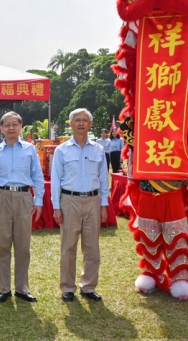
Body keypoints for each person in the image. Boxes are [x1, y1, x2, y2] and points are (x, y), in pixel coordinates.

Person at [0, 112, 45, 303]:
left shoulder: (29, 149)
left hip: (24, 196)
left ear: (20, 126)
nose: (11, 128)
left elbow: (37, 176)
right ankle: (4, 288)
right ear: (1, 128)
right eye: (7, 125)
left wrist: (39, 201)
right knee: (1, 244)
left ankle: (22, 288)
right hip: (1, 196)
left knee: (23, 244)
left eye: (14, 124)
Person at [51, 108, 109, 302]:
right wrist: (56, 207)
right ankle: (67, 287)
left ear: (90, 125)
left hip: (92, 200)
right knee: (68, 246)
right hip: (70, 200)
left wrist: (103, 204)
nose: (81, 123)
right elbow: (56, 179)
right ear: (71, 124)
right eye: (77, 120)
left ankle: (89, 286)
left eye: (85, 120)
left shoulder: (99, 149)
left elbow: (103, 179)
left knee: (92, 246)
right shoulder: (62, 150)